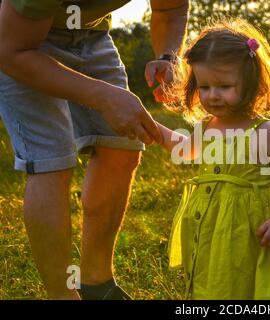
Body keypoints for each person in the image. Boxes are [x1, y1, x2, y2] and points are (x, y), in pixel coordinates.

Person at [0, 0, 189, 299]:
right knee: (52, 158)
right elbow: (10, 52)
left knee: (122, 146)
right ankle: (62, 295)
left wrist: (167, 56)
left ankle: (97, 284)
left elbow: (171, 8)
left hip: (90, 34)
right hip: (17, 39)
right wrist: (102, 97)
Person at [155, 19, 270, 299]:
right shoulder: (208, 126)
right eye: (205, 87)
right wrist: (157, 132)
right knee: (213, 274)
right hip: (210, 221)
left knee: (244, 275)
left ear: (251, 82)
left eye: (224, 86)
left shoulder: (263, 131)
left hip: (248, 225)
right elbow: (185, 150)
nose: (213, 96)